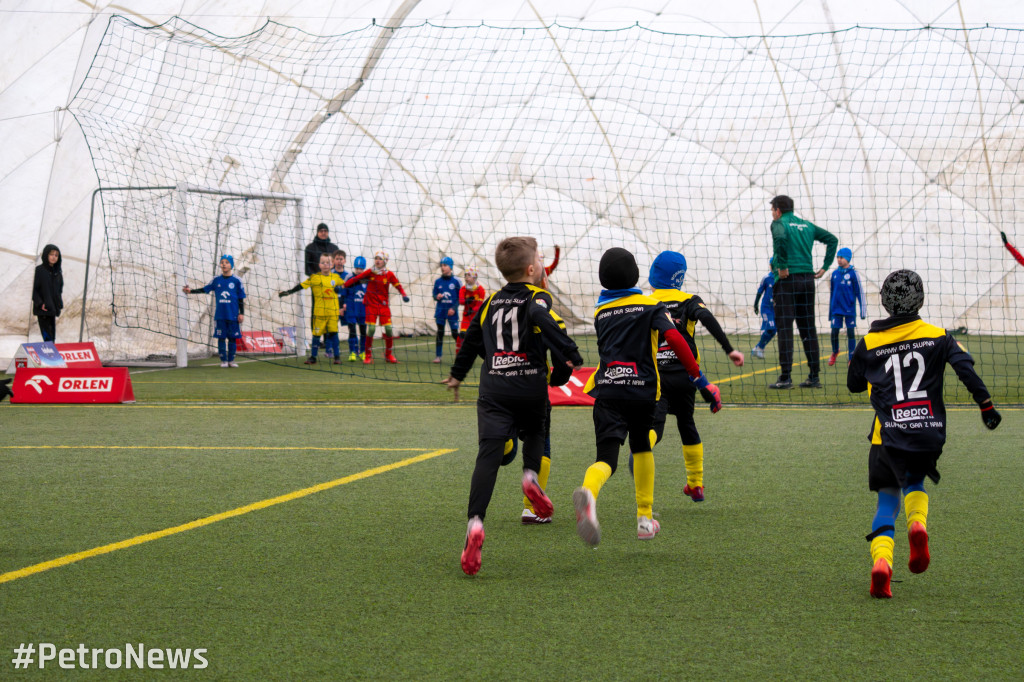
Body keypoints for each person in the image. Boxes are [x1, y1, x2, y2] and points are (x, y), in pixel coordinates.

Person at [847, 269, 1001, 599]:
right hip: (925, 433)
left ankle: (883, 564)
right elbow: (965, 370)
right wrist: (986, 405)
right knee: (915, 483)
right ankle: (918, 526)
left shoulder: (869, 342)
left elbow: (854, 385)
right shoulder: (939, 335)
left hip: (885, 435)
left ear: (885, 303)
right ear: (921, 300)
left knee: (887, 501)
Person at [444, 236, 584, 576]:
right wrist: (569, 358)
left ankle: (476, 524)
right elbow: (544, 321)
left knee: (488, 455)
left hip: (494, 388)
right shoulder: (539, 297)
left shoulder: (489, 301)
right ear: (533, 268)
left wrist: (457, 375)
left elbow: (471, 341)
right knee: (536, 429)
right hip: (529, 386)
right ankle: (530, 476)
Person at [572, 248, 722, 548]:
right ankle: (644, 520)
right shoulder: (650, 306)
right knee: (642, 447)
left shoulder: (600, 312)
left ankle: (589, 491)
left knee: (606, 459)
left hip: (607, 389)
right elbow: (676, 338)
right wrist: (696, 375)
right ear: (636, 276)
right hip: (642, 391)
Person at [641, 250, 743, 503]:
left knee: (656, 424)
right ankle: (696, 484)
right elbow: (707, 318)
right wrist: (729, 349)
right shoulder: (689, 300)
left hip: (657, 375)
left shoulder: (646, 301)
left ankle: (644, 448)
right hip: (687, 374)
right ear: (680, 277)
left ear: (654, 274)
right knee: (687, 423)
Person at [768, 195, 838, 389]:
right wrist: (824, 266)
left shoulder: (779, 223)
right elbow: (832, 240)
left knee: (785, 328)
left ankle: (785, 377)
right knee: (808, 328)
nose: (772, 214)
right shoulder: (807, 225)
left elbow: (781, 238)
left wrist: (781, 265)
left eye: (772, 210)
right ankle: (814, 377)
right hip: (807, 280)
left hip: (787, 281)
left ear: (778, 210)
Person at [278, 253, 344, 365]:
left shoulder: (336, 278)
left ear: (332, 264)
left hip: (333, 312)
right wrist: (288, 292)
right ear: (319, 265)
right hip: (319, 313)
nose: (325, 265)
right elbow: (301, 285)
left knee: (333, 334)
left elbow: (345, 286)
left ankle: (337, 357)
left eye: (328, 262)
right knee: (316, 335)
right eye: (323, 262)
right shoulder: (315, 278)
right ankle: (313, 357)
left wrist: (340, 290)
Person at [344, 251, 408, 364]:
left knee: (388, 329)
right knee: (371, 329)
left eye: (380, 259)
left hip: (383, 305)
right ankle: (367, 355)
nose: (377, 260)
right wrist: (343, 285)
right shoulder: (370, 271)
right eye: (376, 258)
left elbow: (397, 285)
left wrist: (404, 295)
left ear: (385, 261)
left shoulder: (389, 274)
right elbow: (357, 278)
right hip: (370, 305)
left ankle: (388, 354)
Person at [183, 254, 246, 368]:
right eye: (222, 262)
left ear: (231, 265)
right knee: (221, 338)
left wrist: (241, 313)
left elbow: (241, 298)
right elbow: (205, 289)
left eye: (227, 262)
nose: (224, 264)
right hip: (220, 315)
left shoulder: (237, 281)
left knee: (232, 338)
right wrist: (190, 291)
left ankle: (231, 360)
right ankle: (223, 361)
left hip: (233, 315)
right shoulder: (216, 280)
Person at [827, 247, 867, 366]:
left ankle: (851, 357)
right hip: (836, 310)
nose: (839, 260)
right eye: (838, 257)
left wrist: (862, 311)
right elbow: (832, 293)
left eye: (841, 257)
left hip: (849, 310)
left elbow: (860, 292)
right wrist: (830, 312)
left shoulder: (854, 274)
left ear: (848, 259)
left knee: (850, 333)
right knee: (834, 332)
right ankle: (835, 351)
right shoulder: (834, 274)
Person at [432, 256, 461, 363]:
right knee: (440, 333)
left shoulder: (456, 281)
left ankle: (462, 353)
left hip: (452, 313)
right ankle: (438, 356)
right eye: (441, 265)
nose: (442, 268)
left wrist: (454, 308)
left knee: (454, 334)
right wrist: (436, 296)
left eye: (445, 265)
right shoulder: (438, 281)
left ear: (450, 267)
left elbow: (460, 298)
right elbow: (434, 295)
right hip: (440, 311)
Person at [32, 244, 64, 342]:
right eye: (51, 254)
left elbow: (59, 290)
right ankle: (48, 355)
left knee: (52, 337)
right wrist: (41, 304)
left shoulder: (57, 272)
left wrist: (58, 304)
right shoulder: (40, 270)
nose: (54, 257)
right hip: (43, 310)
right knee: (47, 337)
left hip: (52, 309)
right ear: (46, 255)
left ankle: (50, 354)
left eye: (56, 255)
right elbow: (34, 290)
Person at [456, 266, 486, 354]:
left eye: (469, 275)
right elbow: (461, 301)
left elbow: (479, 306)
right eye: (465, 275)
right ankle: (459, 354)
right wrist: (467, 301)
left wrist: (472, 310)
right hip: (466, 317)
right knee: (462, 335)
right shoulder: (463, 289)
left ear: (475, 276)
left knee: (476, 338)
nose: (466, 278)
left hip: (476, 318)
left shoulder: (481, 290)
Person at [344, 256, 368, 361]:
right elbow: (344, 292)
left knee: (363, 331)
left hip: (363, 310)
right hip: (351, 309)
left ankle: (362, 352)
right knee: (352, 331)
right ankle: (352, 352)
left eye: (360, 269)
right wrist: (343, 305)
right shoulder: (349, 277)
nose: (358, 271)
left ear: (363, 269)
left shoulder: (367, 279)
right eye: (357, 268)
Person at [752, 258, 776, 359]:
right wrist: (755, 304)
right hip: (766, 308)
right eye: (772, 265)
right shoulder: (766, 278)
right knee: (770, 327)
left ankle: (757, 348)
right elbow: (759, 292)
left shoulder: (782, 278)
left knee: (773, 330)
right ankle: (760, 348)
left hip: (775, 309)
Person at [331, 250, 350, 363]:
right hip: (333, 303)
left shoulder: (347, 275)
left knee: (351, 325)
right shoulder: (330, 274)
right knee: (332, 327)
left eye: (341, 259)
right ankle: (330, 350)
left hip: (344, 303)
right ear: (333, 261)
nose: (339, 261)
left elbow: (348, 290)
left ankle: (354, 350)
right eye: (337, 259)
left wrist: (345, 304)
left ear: (345, 260)